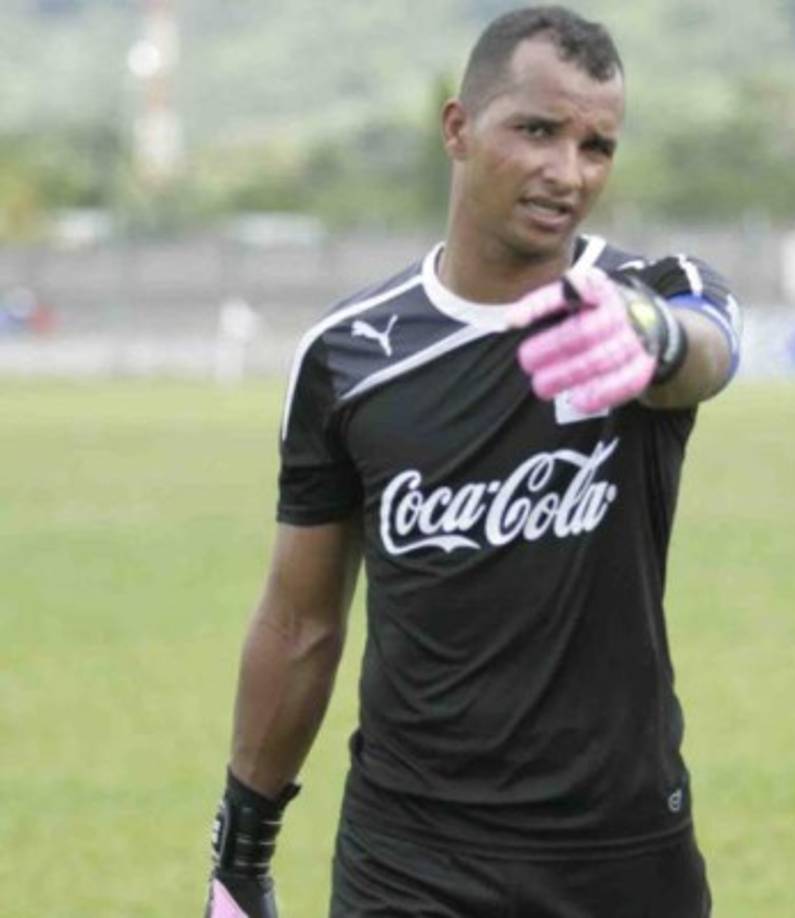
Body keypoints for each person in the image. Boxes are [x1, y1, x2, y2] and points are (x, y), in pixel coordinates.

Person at [205, 6, 742, 916]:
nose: (565, 172)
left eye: (596, 146)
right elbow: (300, 624)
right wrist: (240, 856)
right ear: (457, 127)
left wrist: (653, 342)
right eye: (536, 130)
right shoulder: (349, 356)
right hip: (409, 859)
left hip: (620, 850)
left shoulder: (644, 296)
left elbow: (709, 349)